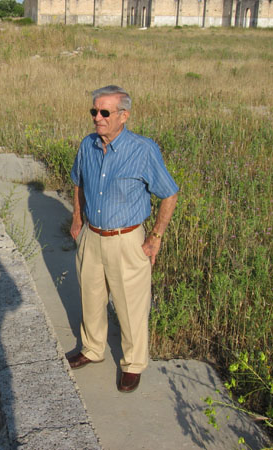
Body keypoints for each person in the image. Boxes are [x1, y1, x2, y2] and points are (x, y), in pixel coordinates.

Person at [67, 85, 179, 393]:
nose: (97, 118)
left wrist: (155, 236)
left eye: (105, 112)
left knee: (131, 306)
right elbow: (78, 182)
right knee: (90, 298)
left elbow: (169, 192)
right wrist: (78, 219)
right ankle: (92, 349)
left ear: (123, 116)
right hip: (92, 236)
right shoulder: (87, 145)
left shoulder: (143, 150)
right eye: (94, 111)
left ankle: (132, 364)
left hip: (127, 240)